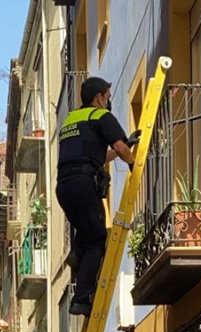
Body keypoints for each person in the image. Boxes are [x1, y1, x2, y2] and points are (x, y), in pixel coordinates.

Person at [57, 77, 140, 317]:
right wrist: (133, 163)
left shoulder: (70, 121)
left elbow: (95, 156)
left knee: (87, 228)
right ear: (98, 98)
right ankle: (81, 299)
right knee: (97, 240)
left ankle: (76, 253)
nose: (108, 101)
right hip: (85, 186)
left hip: (65, 187)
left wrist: (121, 149)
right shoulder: (101, 116)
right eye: (107, 96)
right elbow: (120, 147)